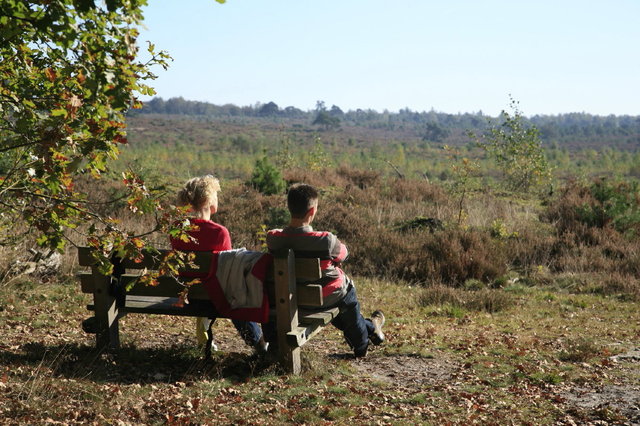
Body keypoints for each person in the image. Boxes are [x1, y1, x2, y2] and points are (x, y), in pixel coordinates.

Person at [265, 183, 385, 358]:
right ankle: (362, 342)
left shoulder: (273, 238)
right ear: (312, 211)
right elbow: (343, 254)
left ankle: (371, 328)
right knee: (347, 294)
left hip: (287, 299)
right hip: (324, 298)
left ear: (289, 208)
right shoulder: (325, 240)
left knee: (341, 296)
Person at [170, 175, 267, 353]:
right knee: (237, 295)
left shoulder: (176, 230)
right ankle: (259, 345)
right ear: (209, 202)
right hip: (215, 294)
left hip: (187, 293)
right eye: (216, 196)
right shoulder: (219, 233)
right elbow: (228, 272)